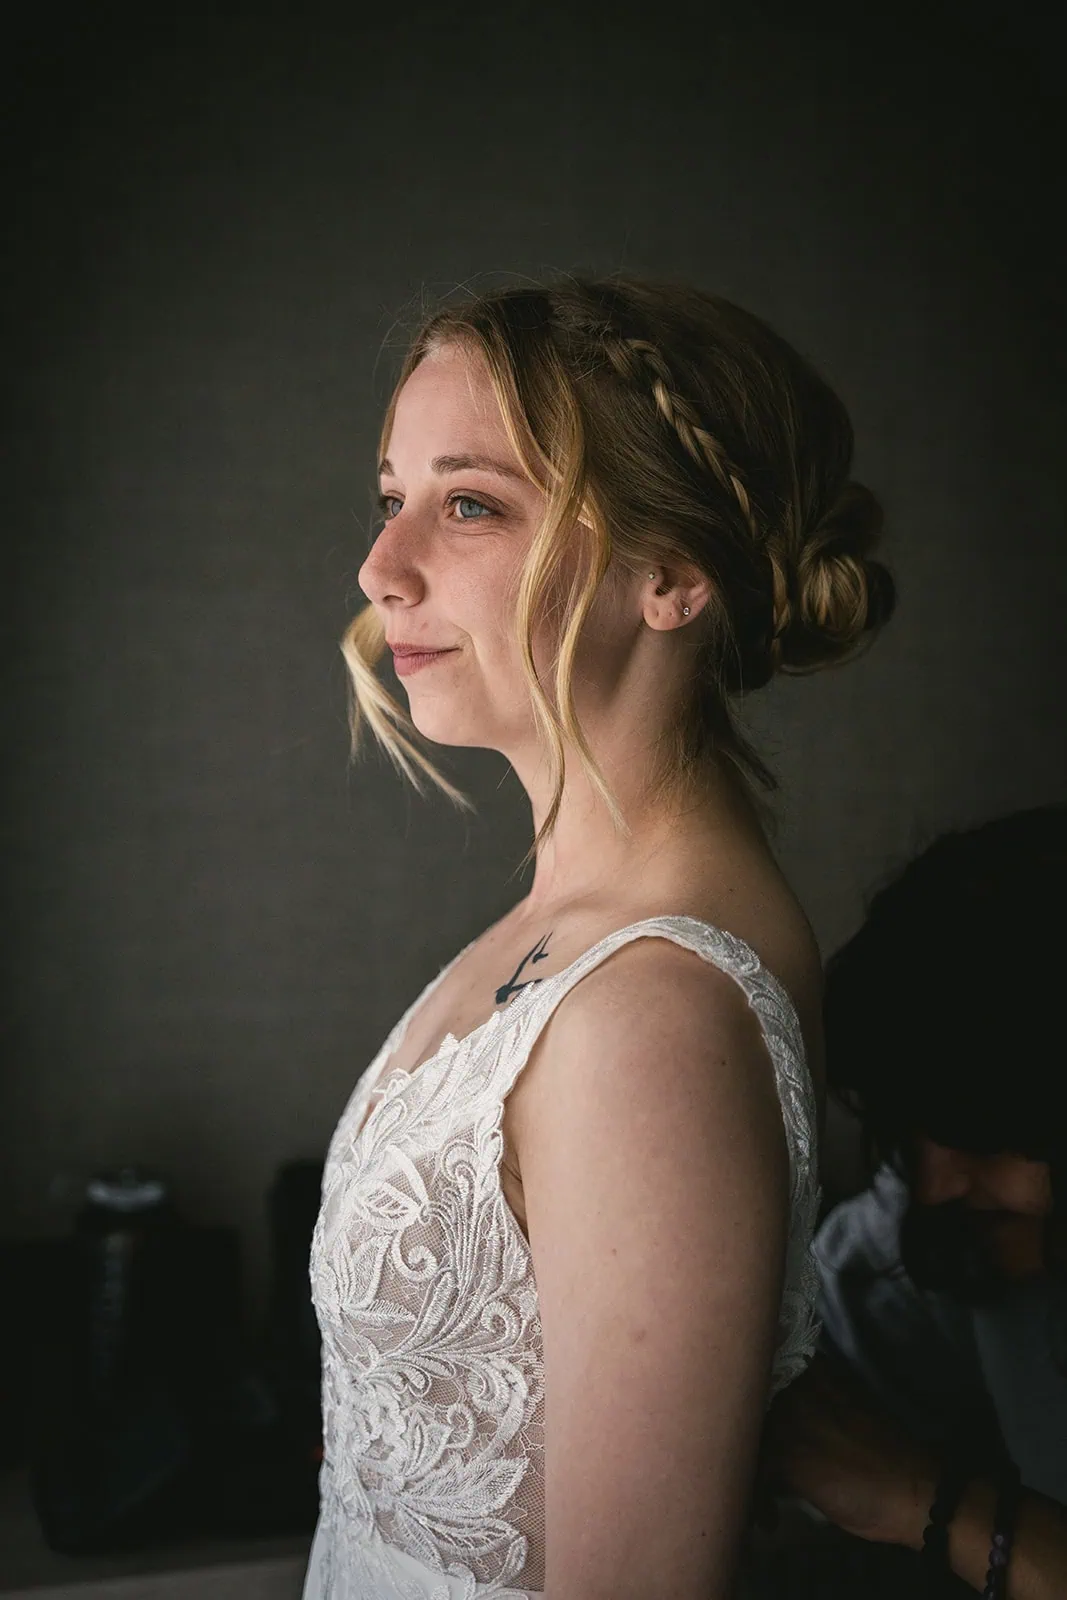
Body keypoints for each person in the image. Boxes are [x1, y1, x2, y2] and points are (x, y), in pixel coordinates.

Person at [302, 276, 895, 1599]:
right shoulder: (559, 933)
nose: (378, 567)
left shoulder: (653, 1013)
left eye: (467, 504)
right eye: (389, 497)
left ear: (667, 572)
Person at [762, 806, 1067, 1598]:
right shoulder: (946, 1224)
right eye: (911, 1136)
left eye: (986, 1134)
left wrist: (930, 1504)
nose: (935, 1185)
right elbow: (811, 1326)